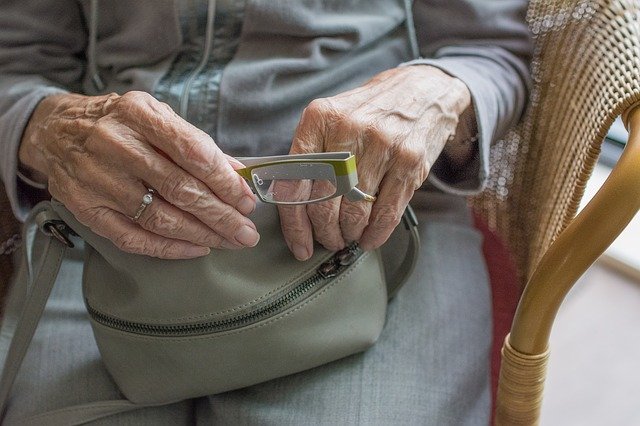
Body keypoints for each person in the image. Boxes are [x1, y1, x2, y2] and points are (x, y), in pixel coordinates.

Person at [0, 0, 531, 424]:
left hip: (360, 223)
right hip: (113, 221)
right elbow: (17, 66)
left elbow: (490, 55)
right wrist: (54, 129)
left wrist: (430, 91)